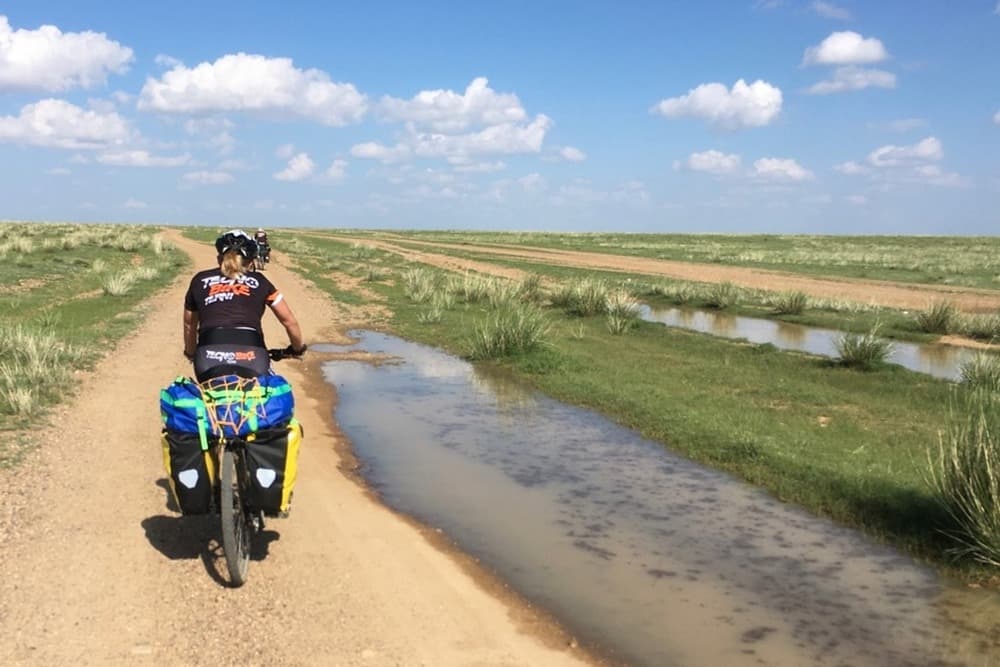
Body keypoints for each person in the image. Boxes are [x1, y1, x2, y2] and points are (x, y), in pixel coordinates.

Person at [183, 229, 305, 380]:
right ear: (251, 262)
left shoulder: (199, 280)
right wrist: (297, 349)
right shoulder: (260, 281)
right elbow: (289, 322)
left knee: (209, 398)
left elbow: (190, 323)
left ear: (219, 258)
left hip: (208, 358)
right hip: (253, 356)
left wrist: (190, 353)